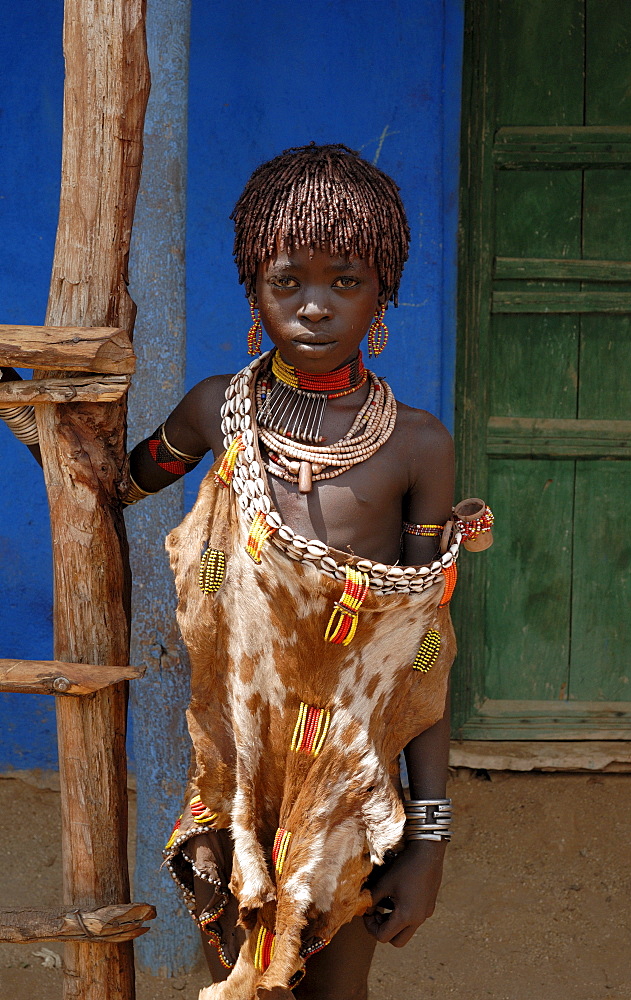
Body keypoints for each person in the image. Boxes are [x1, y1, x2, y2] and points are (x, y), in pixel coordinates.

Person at [2, 143, 490, 1000]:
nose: (314, 306)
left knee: (334, 988)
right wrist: (34, 413)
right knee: (237, 980)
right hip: (232, 772)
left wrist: (429, 839)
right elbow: (112, 487)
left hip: (348, 778)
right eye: (285, 281)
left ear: (384, 295)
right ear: (252, 290)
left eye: (346, 281)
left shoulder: (418, 447)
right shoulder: (215, 412)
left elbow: (421, 653)